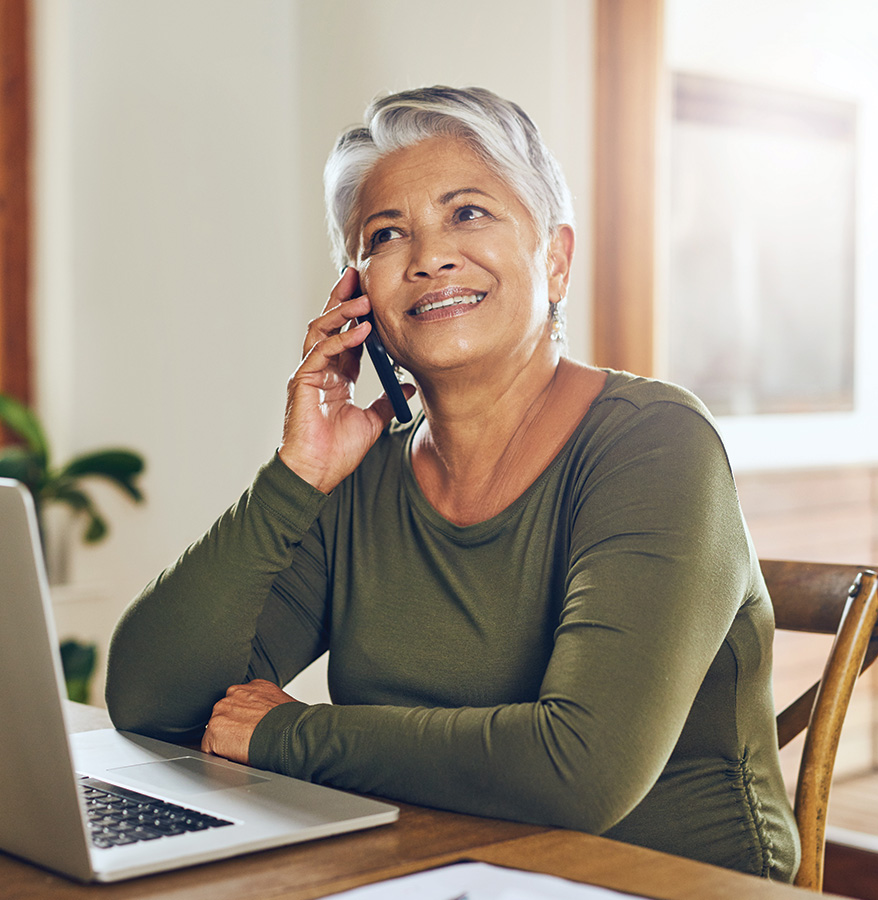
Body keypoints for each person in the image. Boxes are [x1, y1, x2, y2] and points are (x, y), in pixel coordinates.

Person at [106, 85, 800, 881]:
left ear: (556, 258)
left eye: (468, 213)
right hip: (423, 870)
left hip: (656, 883)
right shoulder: (364, 476)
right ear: (357, 297)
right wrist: (296, 475)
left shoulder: (655, 442)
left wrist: (285, 735)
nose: (428, 255)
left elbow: (580, 769)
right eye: (386, 234)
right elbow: (154, 700)